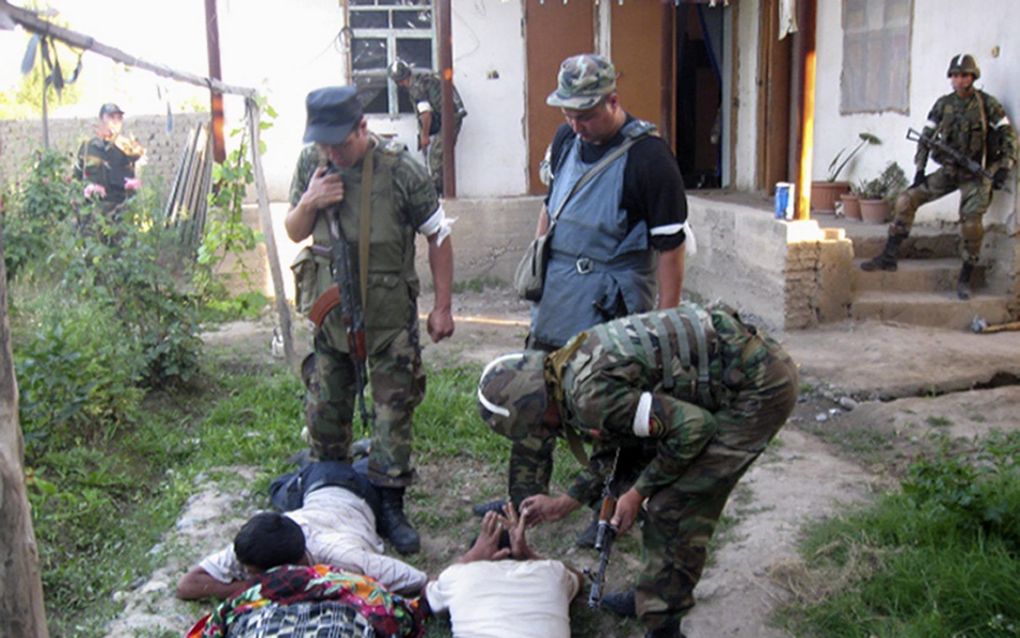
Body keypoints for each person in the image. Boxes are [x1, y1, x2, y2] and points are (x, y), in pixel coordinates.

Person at [476, 302, 799, 638]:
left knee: (673, 505)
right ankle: (655, 593)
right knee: (645, 486)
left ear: (537, 408)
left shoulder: (589, 397)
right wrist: (567, 501)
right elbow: (617, 444)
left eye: (536, 427)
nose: (542, 434)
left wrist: (637, 493)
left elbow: (695, 428)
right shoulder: (567, 369)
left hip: (758, 389)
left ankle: (663, 625)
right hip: (732, 373)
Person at [477, 53, 689, 539]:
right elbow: (552, 207)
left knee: (608, 419)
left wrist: (667, 326)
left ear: (613, 100)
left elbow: (671, 250)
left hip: (610, 309)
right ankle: (521, 502)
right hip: (556, 298)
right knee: (531, 399)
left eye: (587, 114)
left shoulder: (649, 159)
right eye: (568, 114)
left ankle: (604, 514)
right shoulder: (566, 138)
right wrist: (539, 261)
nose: (577, 125)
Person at [284, 86, 455, 556]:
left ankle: (390, 503)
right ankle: (329, 489)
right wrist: (311, 200)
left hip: (388, 318)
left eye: (339, 143)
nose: (332, 153)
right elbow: (294, 230)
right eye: (323, 144)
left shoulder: (402, 171)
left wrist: (442, 306)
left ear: (363, 127)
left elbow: (438, 235)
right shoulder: (311, 166)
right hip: (331, 315)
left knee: (392, 412)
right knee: (325, 409)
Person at [861, 53, 1017, 299]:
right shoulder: (943, 104)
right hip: (949, 170)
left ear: (972, 77)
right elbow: (925, 137)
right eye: (955, 75)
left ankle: (966, 276)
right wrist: (920, 170)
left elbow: (1007, 133)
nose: (959, 80)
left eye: (964, 75)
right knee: (905, 200)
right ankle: (889, 255)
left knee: (971, 224)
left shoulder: (988, 105)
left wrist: (1004, 167)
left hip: (976, 174)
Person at [176, 461, 428, 601]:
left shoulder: (346, 559)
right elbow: (187, 585)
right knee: (282, 490)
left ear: (288, 567)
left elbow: (417, 579)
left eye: (254, 574)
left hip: (359, 496)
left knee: (356, 474)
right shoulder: (258, 543)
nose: (244, 575)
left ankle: (356, 461)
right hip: (313, 491)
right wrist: (255, 586)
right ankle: (334, 462)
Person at [427, 503, 581, 638]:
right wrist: (527, 553)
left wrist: (471, 556)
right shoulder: (551, 572)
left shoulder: (459, 576)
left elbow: (427, 592)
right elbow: (578, 577)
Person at [388, 58, 467, 196]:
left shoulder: (416, 88)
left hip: (450, 120)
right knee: (443, 156)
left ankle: (438, 194)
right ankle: (443, 192)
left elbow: (426, 115)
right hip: (451, 117)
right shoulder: (422, 80)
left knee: (436, 157)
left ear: (398, 81)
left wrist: (424, 137)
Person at [75, 103, 145, 212]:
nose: (116, 121)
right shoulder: (88, 147)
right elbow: (77, 175)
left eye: (119, 118)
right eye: (112, 117)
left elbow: (138, 156)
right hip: (93, 208)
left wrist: (116, 140)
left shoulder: (126, 146)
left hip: (119, 208)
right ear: (102, 119)